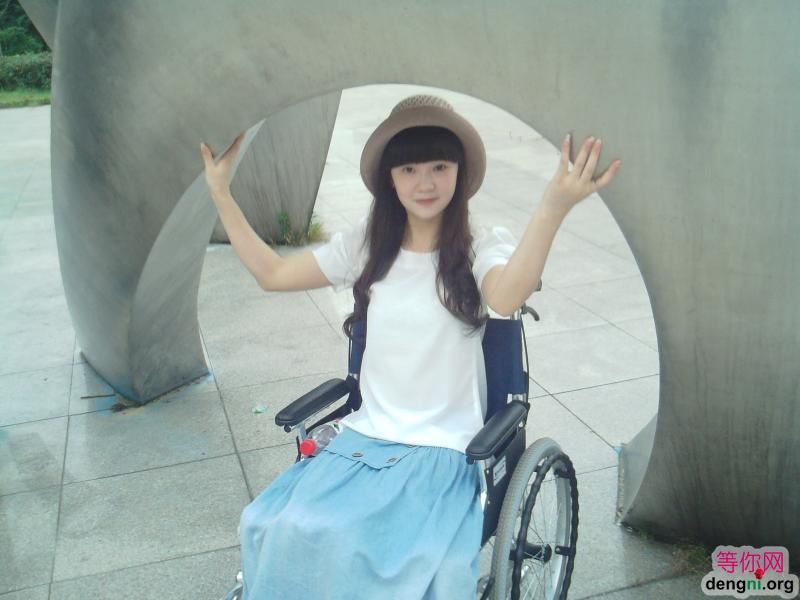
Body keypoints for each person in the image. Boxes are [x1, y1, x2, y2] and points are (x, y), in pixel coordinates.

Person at [200, 94, 621, 599]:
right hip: (367, 436)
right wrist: (220, 192)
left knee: (388, 559)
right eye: (409, 169)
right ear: (391, 179)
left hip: (442, 451)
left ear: (460, 172)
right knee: (277, 527)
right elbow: (273, 273)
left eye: (440, 166)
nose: (425, 183)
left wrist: (553, 205)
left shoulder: (480, 247)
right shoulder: (366, 248)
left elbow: (506, 295)